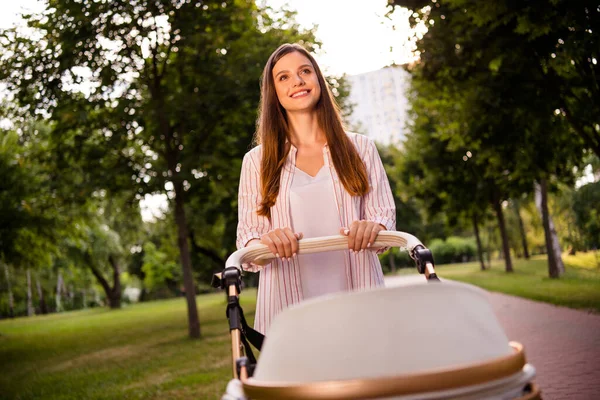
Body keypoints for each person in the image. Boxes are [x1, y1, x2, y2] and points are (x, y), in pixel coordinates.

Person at [236, 43, 395, 334]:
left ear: (318, 79)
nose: (297, 81)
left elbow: (383, 218)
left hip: (358, 295)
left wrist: (373, 228)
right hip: (287, 307)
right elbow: (248, 240)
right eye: (283, 77)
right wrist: (265, 242)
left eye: (304, 71)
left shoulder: (361, 149)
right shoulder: (256, 162)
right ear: (274, 94)